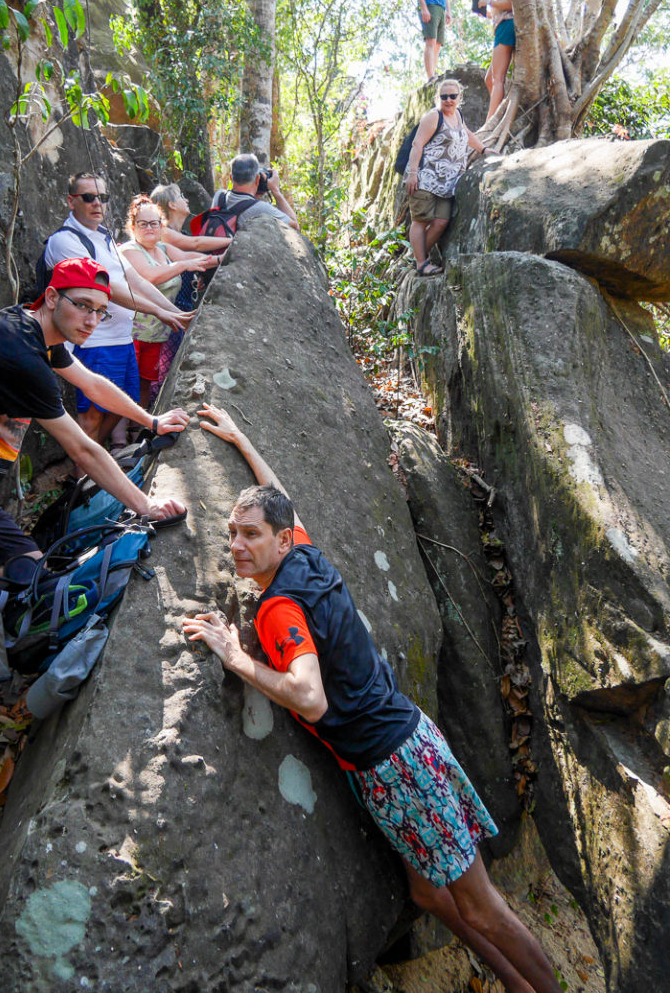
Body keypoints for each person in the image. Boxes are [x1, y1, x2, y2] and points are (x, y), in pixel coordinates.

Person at [182, 405, 564, 993]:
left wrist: (235, 656)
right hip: (404, 744)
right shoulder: (303, 554)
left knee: (481, 904)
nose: (236, 544)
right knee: (426, 894)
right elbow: (281, 497)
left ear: (279, 540)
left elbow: (308, 697)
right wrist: (240, 436)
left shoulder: (281, 607)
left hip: (396, 764)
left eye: (249, 534)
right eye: (232, 532)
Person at [0, 258, 189, 777]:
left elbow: (92, 383)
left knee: (30, 562)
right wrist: (143, 506)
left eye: (101, 312)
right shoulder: (17, 353)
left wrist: (149, 420)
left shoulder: (38, 336)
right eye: (83, 306)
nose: (91, 320)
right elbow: (82, 448)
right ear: (51, 297)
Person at [44, 173, 195, 449]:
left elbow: (133, 279)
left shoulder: (103, 237)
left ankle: (91, 464)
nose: (97, 203)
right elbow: (106, 288)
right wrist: (158, 312)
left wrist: (173, 311)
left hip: (122, 338)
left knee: (122, 404)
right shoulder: (65, 241)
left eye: (103, 197)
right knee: (92, 417)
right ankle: (85, 477)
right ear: (71, 201)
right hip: (94, 341)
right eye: (88, 197)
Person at [119, 196, 221, 406]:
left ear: (161, 226)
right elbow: (150, 276)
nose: (149, 228)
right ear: (132, 226)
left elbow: (196, 258)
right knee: (126, 384)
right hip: (132, 333)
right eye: (143, 223)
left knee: (146, 383)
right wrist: (183, 266)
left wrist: (228, 255)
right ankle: (119, 437)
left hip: (157, 334)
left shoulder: (164, 249)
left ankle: (138, 429)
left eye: (154, 223)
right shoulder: (129, 250)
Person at [404, 79, 494, 277]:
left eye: (453, 96)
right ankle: (421, 263)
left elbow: (466, 133)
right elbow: (417, 145)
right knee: (420, 220)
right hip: (425, 179)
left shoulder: (457, 115)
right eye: (444, 97)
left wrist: (484, 149)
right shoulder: (433, 117)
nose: (448, 100)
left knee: (441, 222)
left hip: (448, 184)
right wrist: (412, 174)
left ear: (459, 98)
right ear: (439, 98)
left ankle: (418, 256)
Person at [476, 0, 515, 119]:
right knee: (489, 79)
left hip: (507, 28)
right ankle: (500, 114)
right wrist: (487, 12)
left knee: (497, 78)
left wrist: (488, 1)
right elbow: (502, 8)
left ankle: (490, 122)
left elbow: (511, 3)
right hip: (501, 26)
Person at [212, 154, 299, 232]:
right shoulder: (262, 208)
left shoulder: (219, 196)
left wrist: (255, 196)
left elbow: (240, 202)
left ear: (231, 178)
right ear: (257, 179)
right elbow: (295, 227)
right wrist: (276, 191)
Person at [149, 183, 234, 255]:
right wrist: (232, 241)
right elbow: (196, 243)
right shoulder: (164, 233)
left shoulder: (181, 233)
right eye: (181, 197)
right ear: (172, 205)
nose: (187, 200)